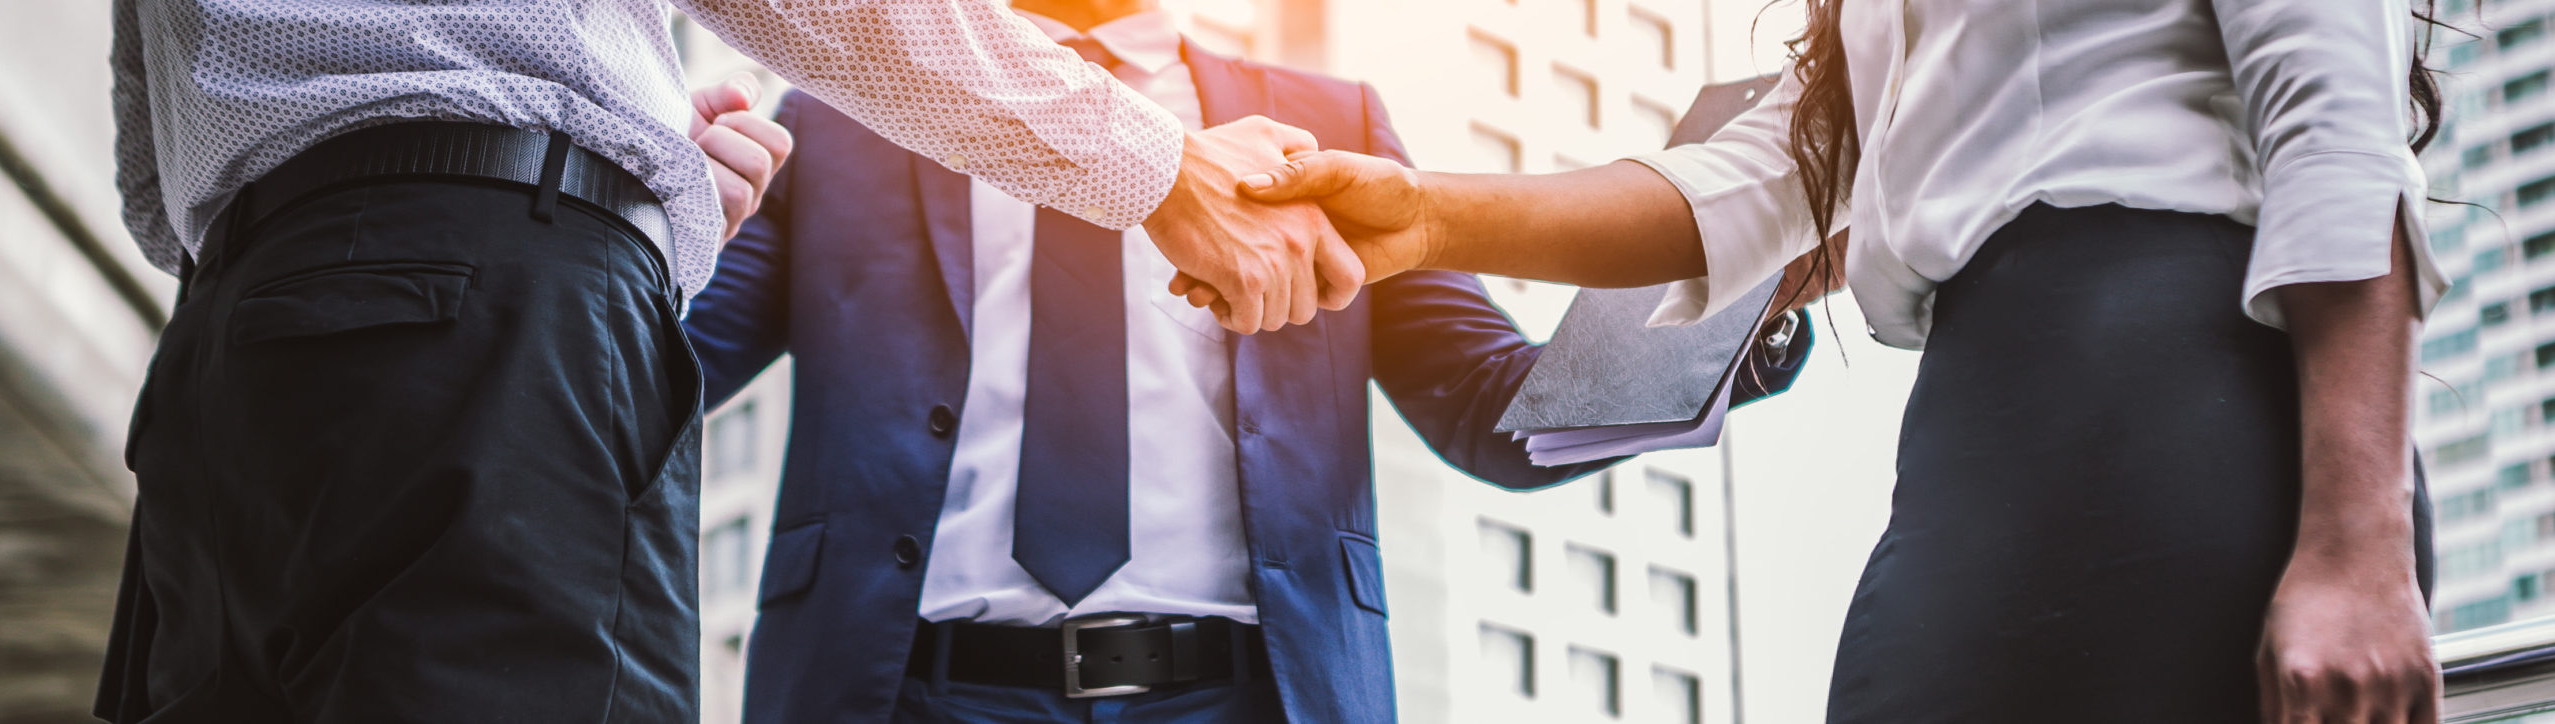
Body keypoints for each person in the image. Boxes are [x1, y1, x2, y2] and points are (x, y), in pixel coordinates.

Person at [97, 0, 1354, 721]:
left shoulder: (1334, 112)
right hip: (491, 329)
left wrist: (629, 188)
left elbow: (158, 178)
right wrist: (1158, 163)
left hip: (240, 341)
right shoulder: (843, 147)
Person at [1227, 1, 2452, 721]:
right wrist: (1431, 218)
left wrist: (2359, 548)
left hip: (2184, 399)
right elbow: (1760, 175)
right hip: (1988, 422)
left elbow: (2335, 136)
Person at [680, 3, 1815, 722]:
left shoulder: (1331, 120)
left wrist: (1743, 256)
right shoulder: (843, 115)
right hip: (908, 690)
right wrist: (658, 217)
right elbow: (656, 381)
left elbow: (1489, 406)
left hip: (1248, 693)